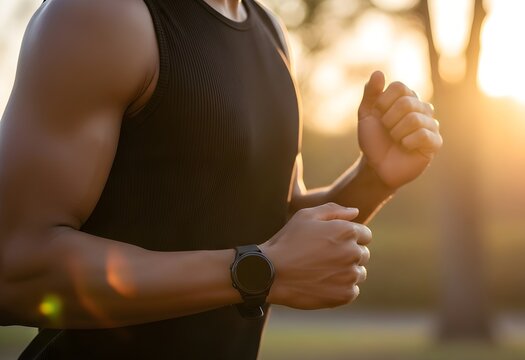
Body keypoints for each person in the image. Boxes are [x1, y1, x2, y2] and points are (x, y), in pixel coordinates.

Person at [0, 0, 442, 358]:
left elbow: (273, 228)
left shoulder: (269, 30)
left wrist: (374, 177)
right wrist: (254, 271)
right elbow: (14, 269)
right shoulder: (99, 15)